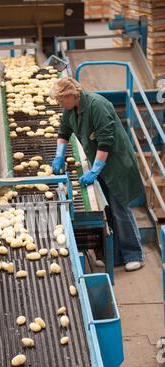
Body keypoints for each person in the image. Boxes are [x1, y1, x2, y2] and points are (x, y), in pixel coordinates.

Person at [50, 77, 145, 272]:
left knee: (120, 208)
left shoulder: (97, 105)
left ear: (72, 95)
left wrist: (94, 170)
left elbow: (105, 141)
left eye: (61, 100)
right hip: (100, 163)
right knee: (108, 210)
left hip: (116, 163)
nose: (59, 104)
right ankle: (117, 256)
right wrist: (58, 156)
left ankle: (133, 254)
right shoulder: (70, 110)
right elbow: (63, 131)